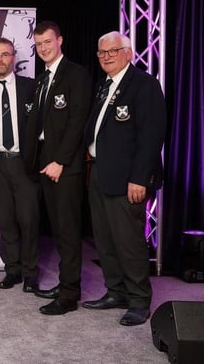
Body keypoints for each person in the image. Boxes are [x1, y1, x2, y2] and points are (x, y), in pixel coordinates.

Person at [82, 31, 166, 326]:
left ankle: (140, 301)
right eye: (101, 52)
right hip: (101, 173)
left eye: (112, 51)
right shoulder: (105, 85)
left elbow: (151, 136)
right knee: (104, 240)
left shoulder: (143, 85)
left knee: (129, 242)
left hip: (129, 179)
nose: (106, 56)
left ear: (128, 53)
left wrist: (140, 178)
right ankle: (116, 291)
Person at [23, 20, 92, 315]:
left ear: (60, 41)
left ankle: (68, 295)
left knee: (67, 231)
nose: (43, 48)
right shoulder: (42, 79)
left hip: (63, 166)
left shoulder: (77, 74)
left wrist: (60, 161)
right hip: (44, 163)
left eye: (48, 42)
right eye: (38, 45)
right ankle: (67, 282)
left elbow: (78, 123)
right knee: (56, 228)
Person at [0, 38, 40, 293]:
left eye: (5, 54)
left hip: (24, 164)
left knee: (28, 219)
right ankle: (12, 270)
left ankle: (31, 273)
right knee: (7, 221)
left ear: (13, 57)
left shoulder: (32, 88)